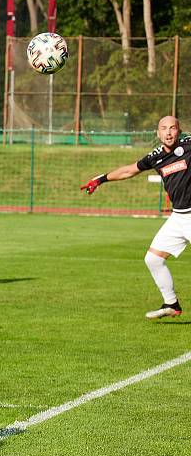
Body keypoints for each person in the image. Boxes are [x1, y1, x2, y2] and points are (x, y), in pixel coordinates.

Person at [81, 115, 191, 319]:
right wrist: (101, 179)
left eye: (173, 128)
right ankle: (171, 304)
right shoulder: (155, 156)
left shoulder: (189, 144)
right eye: (164, 128)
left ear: (179, 130)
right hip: (179, 217)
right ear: (157, 133)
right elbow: (129, 170)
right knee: (153, 259)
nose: (168, 132)